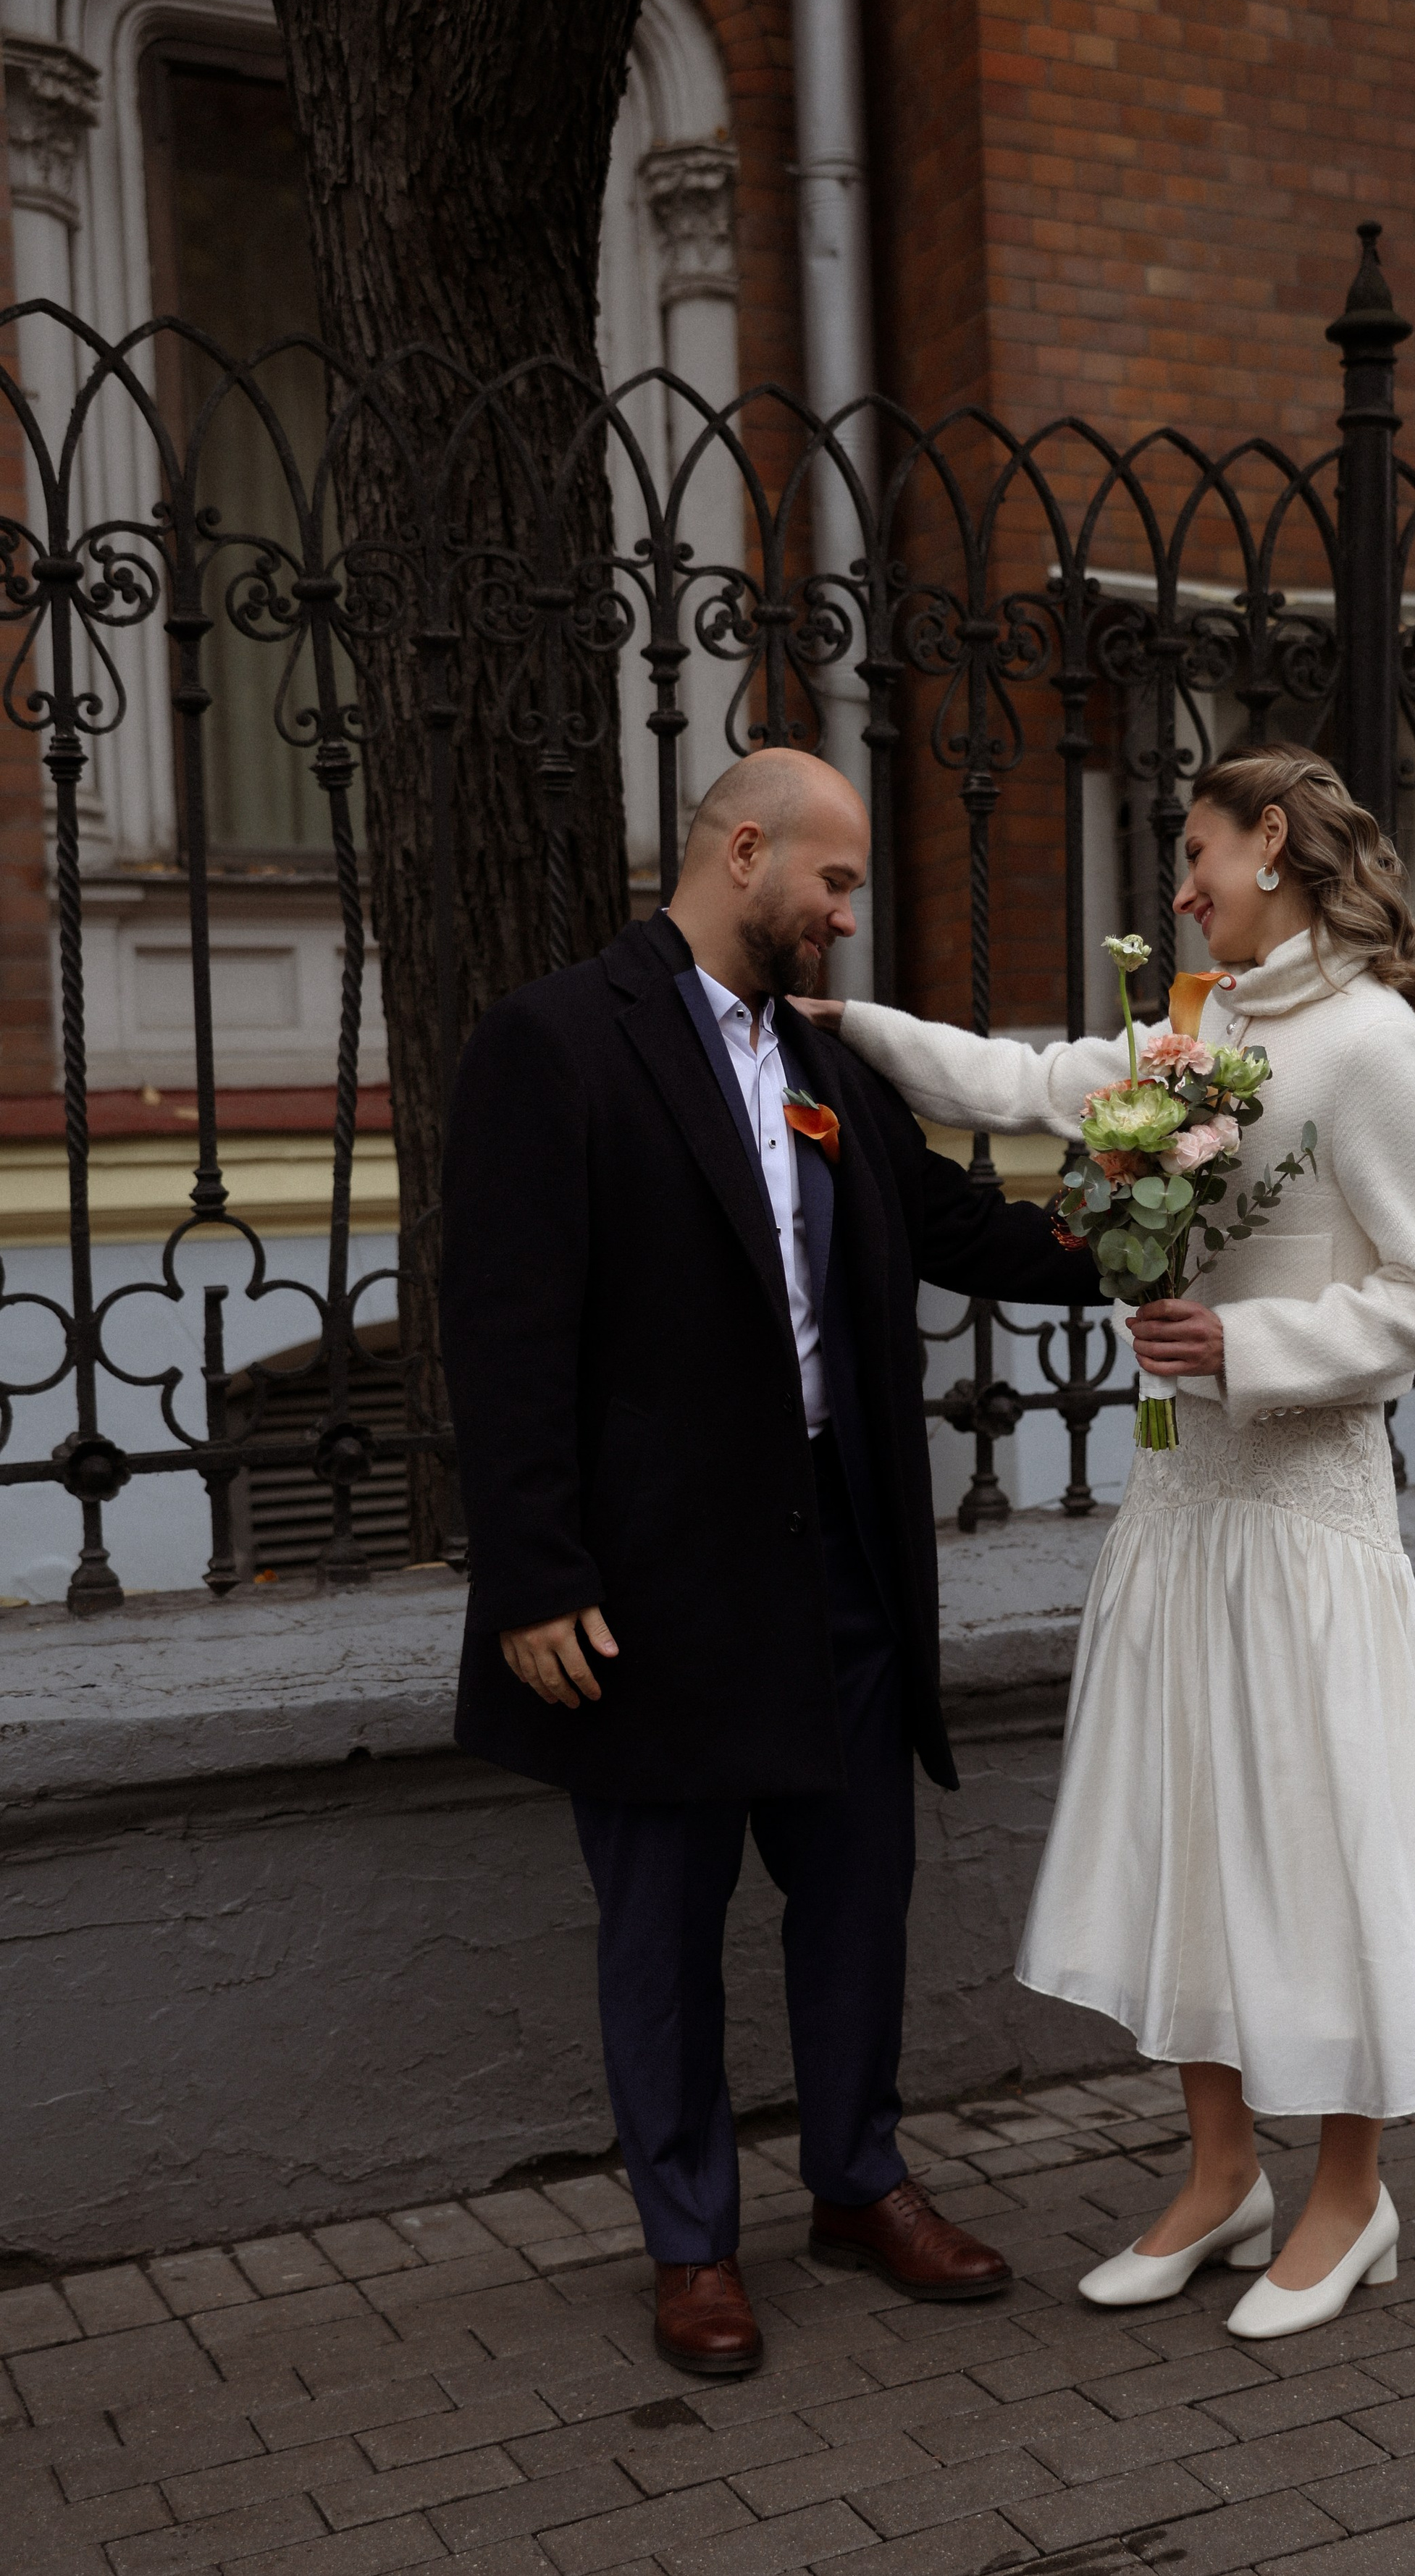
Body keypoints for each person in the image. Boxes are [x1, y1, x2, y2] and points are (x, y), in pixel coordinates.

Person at [794, 744, 1415, 2342]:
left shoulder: (1375, 1044)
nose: (1176, 891)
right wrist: (841, 1029)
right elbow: (1029, 1081)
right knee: (1192, 1833)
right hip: (1180, 1507)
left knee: (1316, 1845)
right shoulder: (1195, 1024)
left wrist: (1248, 1352)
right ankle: (1217, 2174)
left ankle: (1346, 2193)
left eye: (1194, 854)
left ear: (1271, 841)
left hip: (1303, 1520)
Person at [440, 747, 1101, 2379]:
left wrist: (1150, 1230)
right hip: (652, 1588)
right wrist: (531, 1573)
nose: (844, 912)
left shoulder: (828, 1066)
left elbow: (960, 1234)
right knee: (659, 1925)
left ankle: (859, 2183)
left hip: (843, 1567)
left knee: (857, 1893)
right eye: (833, 880)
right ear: (744, 852)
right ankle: (689, 2243)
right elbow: (505, 1327)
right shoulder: (557, 1042)